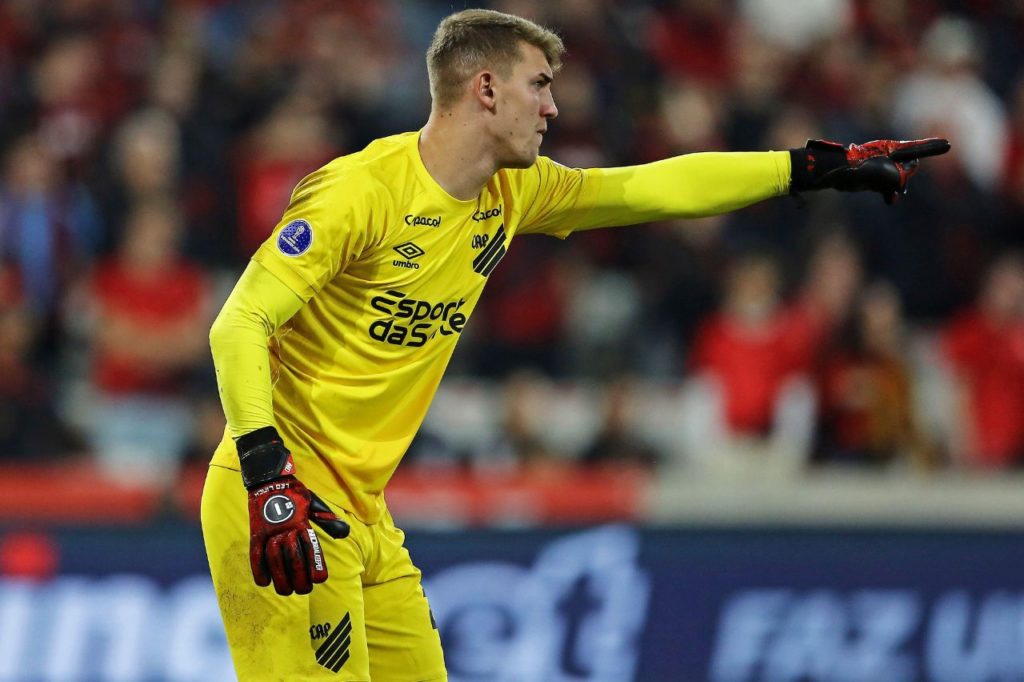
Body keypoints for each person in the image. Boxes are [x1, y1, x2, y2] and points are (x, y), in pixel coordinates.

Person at [201, 8, 949, 680]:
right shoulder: (359, 193)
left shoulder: (512, 193)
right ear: (486, 90)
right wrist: (269, 479)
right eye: (540, 85)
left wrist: (809, 168)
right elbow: (236, 324)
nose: (554, 106)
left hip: (362, 512)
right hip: (279, 497)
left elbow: (650, 189)